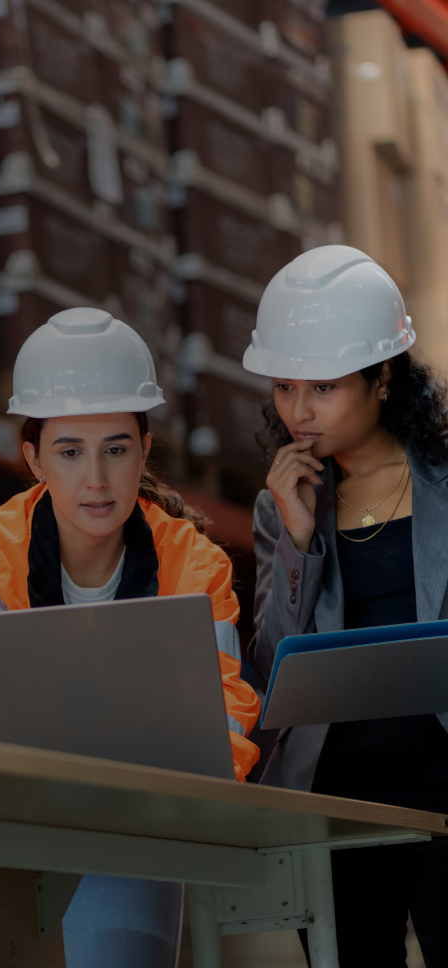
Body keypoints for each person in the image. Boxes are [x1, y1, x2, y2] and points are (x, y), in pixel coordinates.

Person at [0, 306, 260, 968]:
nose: (96, 480)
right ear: (33, 459)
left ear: (144, 450)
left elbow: (223, 725)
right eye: (70, 453)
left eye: (116, 449)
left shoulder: (194, 564)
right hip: (9, 828)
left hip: (135, 832)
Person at [243, 244, 448, 968]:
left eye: (323, 387)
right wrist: (297, 541)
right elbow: (271, 668)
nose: (299, 411)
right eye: (284, 387)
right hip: (338, 806)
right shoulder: (284, 507)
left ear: (382, 375)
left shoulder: (443, 484)